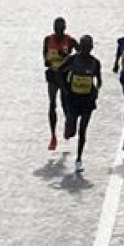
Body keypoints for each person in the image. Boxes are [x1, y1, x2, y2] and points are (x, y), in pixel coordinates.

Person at [59, 34, 102, 172]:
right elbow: (59, 71)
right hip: (73, 98)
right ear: (80, 47)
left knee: (83, 130)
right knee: (72, 129)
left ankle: (79, 158)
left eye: (88, 47)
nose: (85, 50)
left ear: (92, 47)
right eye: (83, 47)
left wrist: (95, 91)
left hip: (87, 100)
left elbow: (99, 80)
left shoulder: (95, 63)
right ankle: (68, 126)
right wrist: (65, 87)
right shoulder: (72, 59)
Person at [42, 18, 78, 151]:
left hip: (65, 77)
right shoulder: (47, 40)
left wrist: (67, 56)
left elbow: (81, 54)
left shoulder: (70, 40)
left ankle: (68, 126)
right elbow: (45, 54)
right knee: (52, 104)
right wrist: (47, 61)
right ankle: (53, 136)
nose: (58, 32)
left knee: (65, 104)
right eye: (56, 29)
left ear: (64, 28)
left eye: (60, 29)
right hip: (53, 75)